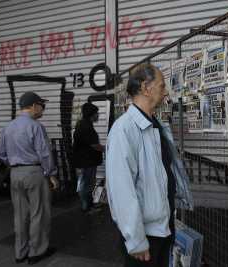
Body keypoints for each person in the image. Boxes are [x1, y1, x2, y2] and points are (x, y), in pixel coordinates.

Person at [106, 63, 193, 267]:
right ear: (146, 88)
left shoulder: (156, 125)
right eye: (162, 86)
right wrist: (136, 241)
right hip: (145, 238)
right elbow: (122, 191)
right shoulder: (124, 130)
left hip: (163, 227)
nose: (166, 92)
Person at [0, 91, 59, 265]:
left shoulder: (8, 127)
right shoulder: (36, 126)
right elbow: (45, 154)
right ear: (33, 106)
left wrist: (15, 163)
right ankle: (36, 252)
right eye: (42, 105)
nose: (43, 109)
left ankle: (20, 252)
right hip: (34, 173)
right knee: (39, 213)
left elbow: (1, 153)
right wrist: (51, 174)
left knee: (20, 215)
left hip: (15, 174)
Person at [72, 102, 104, 212]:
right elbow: (94, 145)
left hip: (86, 161)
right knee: (87, 184)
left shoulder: (83, 124)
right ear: (92, 114)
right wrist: (107, 149)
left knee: (86, 183)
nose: (98, 115)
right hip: (86, 162)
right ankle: (87, 207)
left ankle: (88, 205)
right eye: (96, 113)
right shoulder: (86, 126)